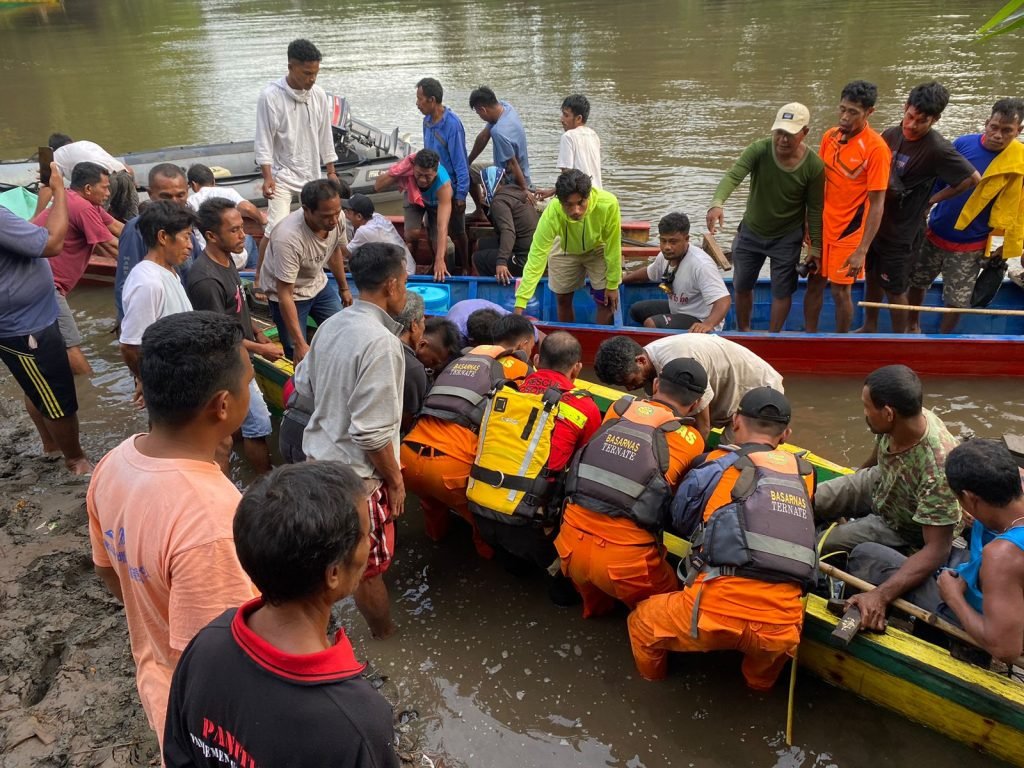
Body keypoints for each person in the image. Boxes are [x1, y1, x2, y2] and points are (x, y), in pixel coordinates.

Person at [87, 312, 256, 747]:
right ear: (222, 404)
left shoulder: (112, 465)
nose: (251, 391)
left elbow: (109, 571)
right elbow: (223, 658)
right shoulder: (214, 520)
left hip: (156, 680)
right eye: (250, 380)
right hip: (206, 722)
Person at [163, 462, 400, 767]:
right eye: (366, 535)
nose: (371, 544)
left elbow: (179, 753)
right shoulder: (355, 721)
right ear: (334, 573)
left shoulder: (207, 643)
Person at [629, 388, 816, 690]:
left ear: (736, 421)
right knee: (763, 670)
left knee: (640, 623)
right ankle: (757, 690)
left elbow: (681, 519)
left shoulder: (714, 462)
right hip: (782, 625)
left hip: (713, 612)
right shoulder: (805, 474)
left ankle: (651, 688)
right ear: (786, 435)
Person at [294, 242, 408, 639]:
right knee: (367, 570)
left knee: (327, 558)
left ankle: (314, 630)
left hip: (316, 464)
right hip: (355, 479)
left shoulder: (331, 324)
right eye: (406, 283)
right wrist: (395, 481)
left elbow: (303, 386)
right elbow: (372, 432)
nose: (406, 291)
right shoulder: (382, 342)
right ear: (392, 285)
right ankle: (385, 639)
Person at [556, 358, 707, 617]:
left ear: (656, 384)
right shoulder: (692, 440)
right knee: (666, 604)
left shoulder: (619, 407)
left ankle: (598, 609)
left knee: (595, 598)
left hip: (568, 548)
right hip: (627, 564)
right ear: (694, 405)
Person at [814, 365, 961, 631]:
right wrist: (846, 498)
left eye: (867, 407)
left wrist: (880, 595)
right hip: (882, 480)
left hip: (901, 524)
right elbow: (877, 459)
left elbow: (938, 548)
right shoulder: (899, 423)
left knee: (820, 548)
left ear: (889, 413)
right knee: (812, 498)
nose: (864, 413)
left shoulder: (936, 471)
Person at [401, 313, 536, 559]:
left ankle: (436, 537)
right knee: (479, 517)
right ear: (523, 346)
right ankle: (486, 560)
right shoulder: (518, 367)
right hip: (451, 468)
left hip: (407, 456)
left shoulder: (458, 361)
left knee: (431, 504)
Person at [468, 332, 601, 575]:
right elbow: (585, 461)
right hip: (530, 522)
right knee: (558, 576)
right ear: (578, 368)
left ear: (537, 360)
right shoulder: (583, 406)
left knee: (511, 564)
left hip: (479, 506)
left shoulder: (509, 389)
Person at [859, 82, 980, 334]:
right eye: (910, 116)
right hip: (877, 226)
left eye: (921, 121)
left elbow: (971, 179)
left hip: (903, 234)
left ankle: (900, 340)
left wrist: (932, 200)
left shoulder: (938, 148)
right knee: (871, 278)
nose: (912, 125)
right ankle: (868, 326)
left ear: (934, 120)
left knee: (895, 289)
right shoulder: (891, 134)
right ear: (905, 108)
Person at [0, 162, 91, 475]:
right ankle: (76, 460)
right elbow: (52, 243)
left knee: (35, 386)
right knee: (58, 395)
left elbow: (29, 235)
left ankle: (51, 446)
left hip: (25, 318)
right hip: (26, 325)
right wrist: (59, 192)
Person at [907, 98, 1024, 334]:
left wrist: (1012, 247)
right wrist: (922, 208)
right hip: (936, 231)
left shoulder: (1018, 163)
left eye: (1007, 130)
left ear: (1019, 131)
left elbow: (1019, 210)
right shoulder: (963, 144)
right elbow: (937, 182)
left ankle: (944, 338)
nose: (998, 135)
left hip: (972, 243)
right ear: (986, 123)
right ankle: (912, 325)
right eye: (994, 127)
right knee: (917, 281)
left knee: (957, 300)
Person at [706, 103, 825, 332]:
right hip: (751, 232)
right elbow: (733, 175)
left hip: (786, 237)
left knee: (782, 290)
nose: (782, 140)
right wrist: (717, 203)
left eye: (790, 134)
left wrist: (815, 248)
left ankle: (774, 336)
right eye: (779, 132)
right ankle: (745, 332)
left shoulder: (814, 166)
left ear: (805, 132)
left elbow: (815, 209)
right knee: (741, 285)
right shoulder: (759, 150)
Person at [188, 198, 281, 474]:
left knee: (235, 426)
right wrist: (261, 350)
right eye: (234, 230)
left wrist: (256, 330)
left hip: (240, 355)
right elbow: (218, 336)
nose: (243, 236)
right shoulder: (205, 279)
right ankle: (265, 482)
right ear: (211, 236)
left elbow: (236, 307)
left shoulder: (226, 259)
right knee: (260, 424)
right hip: (227, 365)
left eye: (242, 228)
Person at [805, 81, 891, 334]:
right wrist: (810, 227)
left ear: (869, 113)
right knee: (814, 282)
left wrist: (862, 250)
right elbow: (819, 184)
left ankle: (840, 340)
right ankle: (810, 337)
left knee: (840, 291)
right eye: (842, 109)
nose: (844, 117)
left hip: (849, 232)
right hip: (822, 226)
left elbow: (877, 204)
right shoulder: (829, 137)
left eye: (853, 112)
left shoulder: (876, 149)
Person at [254, 39, 338, 284]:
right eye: (307, 73)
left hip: (311, 174)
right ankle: (260, 276)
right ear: (291, 67)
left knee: (320, 226)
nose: (312, 79)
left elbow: (325, 136)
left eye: (315, 74)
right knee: (275, 229)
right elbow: (264, 139)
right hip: (281, 174)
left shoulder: (319, 95)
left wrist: (330, 171)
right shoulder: (270, 96)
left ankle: (313, 273)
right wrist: (267, 176)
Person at [593, 333, 784, 438]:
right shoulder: (649, 366)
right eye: (623, 386)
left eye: (631, 382)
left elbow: (703, 427)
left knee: (730, 455)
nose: (629, 389)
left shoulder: (680, 366)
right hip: (725, 392)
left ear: (641, 360)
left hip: (757, 394)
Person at [33, 161, 119, 375]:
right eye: (105, 187)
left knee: (49, 342)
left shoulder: (84, 203)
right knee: (70, 344)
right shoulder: (82, 208)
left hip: (33, 279)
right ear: (88, 189)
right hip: (43, 285)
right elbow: (110, 247)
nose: (108, 193)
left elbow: (119, 229)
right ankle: (91, 395)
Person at [258, 178, 352, 362]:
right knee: (296, 350)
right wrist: (300, 343)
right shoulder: (288, 237)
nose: (333, 220)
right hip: (288, 294)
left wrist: (344, 288)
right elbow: (285, 293)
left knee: (343, 332)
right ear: (306, 210)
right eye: (326, 216)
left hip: (317, 283)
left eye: (336, 212)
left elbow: (334, 251)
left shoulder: (337, 218)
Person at [514, 170, 622, 324]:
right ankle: (566, 341)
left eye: (580, 203)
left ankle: (601, 344)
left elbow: (613, 246)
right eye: (568, 205)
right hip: (565, 246)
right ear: (559, 201)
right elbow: (537, 256)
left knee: (606, 300)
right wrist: (520, 304)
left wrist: (612, 284)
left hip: (598, 246)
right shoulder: (552, 213)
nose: (575, 211)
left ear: (588, 195)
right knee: (563, 298)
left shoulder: (608, 204)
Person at [119, 202, 196, 405]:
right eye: (186, 236)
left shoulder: (169, 271)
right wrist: (147, 381)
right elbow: (129, 346)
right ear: (163, 237)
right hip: (169, 385)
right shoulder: (148, 283)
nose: (190, 245)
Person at [114, 163, 202, 323]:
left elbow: (198, 270)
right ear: (150, 194)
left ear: (188, 191)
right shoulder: (136, 229)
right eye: (166, 196)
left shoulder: (187, 228)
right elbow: (124, 284)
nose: (174, 202)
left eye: (180, 195)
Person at [623, 212, 731, 331]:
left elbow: (723, 300)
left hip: (699, 318)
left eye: (673, 242)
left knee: (651, 324)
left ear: (686, 239)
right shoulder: (664, 256)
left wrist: (708, 324)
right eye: (663, 241)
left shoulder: (701, 265)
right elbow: (648, 273)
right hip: (678, 309)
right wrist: (622, 280)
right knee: (636, 310)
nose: (667, 247)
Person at [417, 77, 471, 274]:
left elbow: (460, 160)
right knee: (433, 230)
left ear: (432, 100)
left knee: (458, 232)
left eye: (420, 99)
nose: (417, 104)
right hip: (433, 185)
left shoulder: (452, 125)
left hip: (452, 186)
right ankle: (437, 264)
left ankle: (465, 266)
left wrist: (461, 194)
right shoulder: (427, 122)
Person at [374, 150, 454, 282]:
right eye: (419, 174)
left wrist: (440, 260)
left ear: (436, 171)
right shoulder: (407, 169)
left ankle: (436, 265)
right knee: (412, 235)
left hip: (435, 204)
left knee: (438, 245)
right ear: (413, 168)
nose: (422, 179)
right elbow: (377, 187)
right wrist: (396, 171)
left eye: (427, 176)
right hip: (413, 196)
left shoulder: (443, 185)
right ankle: (411, 266)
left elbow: (442, 226)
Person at [186, 163, 266, 269]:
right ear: (213, 181)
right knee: (248, 238)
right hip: (234, 258)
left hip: (207, 259)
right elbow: (248, 208)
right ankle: (255, 273)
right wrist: (263, 221)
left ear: (193, 185)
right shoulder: (228, 192)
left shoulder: (190, 201)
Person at [467, 86, 532, 216]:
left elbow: (513, 164)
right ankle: (479, 213)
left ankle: (486, 211)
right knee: (467, 171)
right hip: (508, 168)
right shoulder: (506, 108)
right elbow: (484, 136)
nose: (480, 116)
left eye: (478, 113)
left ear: (483, 110)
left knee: (488, 199)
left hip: (509, 177)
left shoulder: (499, 132)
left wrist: (525, 189)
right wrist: (467, 161)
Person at [47, 132, 138, 221]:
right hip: (124, 173)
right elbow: (128, 168)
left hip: (103, 180)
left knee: (97, 219)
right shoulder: (86, 144)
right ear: (71, 141)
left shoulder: (56, 155)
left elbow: (53, 183)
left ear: (52, 149)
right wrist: (132, 185)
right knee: (131, 218)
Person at [472, 166, 538, 283]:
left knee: (476, 259)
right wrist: (485, 205)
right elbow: (499, 226)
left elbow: (508, 231)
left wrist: (501, 262)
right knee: (478, 244)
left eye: (483, 187)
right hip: (528, 250)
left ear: (492, 183)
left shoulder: (499, 201)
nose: (483, 192)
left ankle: (481, 293)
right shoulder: (513, 192)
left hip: (523, 259)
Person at [341, 192, 415, 274]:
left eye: (348, 212)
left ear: (359, 216)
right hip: (409, 267)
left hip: (403, 274)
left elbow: (345, 253)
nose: (345, 214)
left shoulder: (364, 231)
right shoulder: (377, 216)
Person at [396, 290, 428, 434]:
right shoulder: (413, 368)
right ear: (414, 325)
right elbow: (407, 421)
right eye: (423, 322)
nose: (424, 329)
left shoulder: (372, 345)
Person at [556, 94, 602, 189]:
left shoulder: (568, 136)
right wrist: (553, 191)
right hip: (597, 193)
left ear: (578, 118)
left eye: (566, 115)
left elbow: (567, 176)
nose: (562, 119)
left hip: (580, 196)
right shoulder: (594, 135)